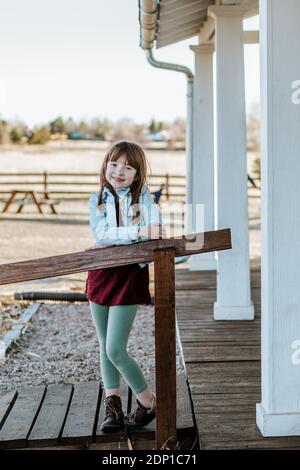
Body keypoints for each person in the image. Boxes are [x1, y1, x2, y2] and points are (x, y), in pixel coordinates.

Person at [85, 140, 167, 433]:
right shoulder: (96, 200)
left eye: (128, 167)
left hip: (130, 275)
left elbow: (155, 231)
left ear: (137, 173)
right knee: (103, 345)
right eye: (114, 164)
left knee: (115, 348)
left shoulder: (144, 199)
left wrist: (142, 232)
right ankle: (113, 405)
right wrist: (137, 231)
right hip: (100, 273)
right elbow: (103, 234)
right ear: (105, 165)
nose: (119, 171)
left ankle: (149, 403)